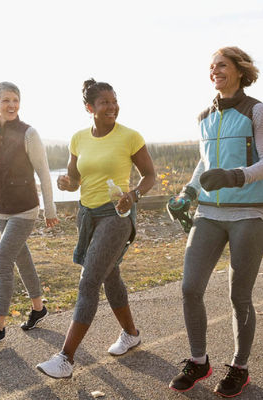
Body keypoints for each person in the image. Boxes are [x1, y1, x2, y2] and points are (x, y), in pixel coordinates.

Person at [167, 47, 263, 397]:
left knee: (239, 296)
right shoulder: (204, 116)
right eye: (211, 66)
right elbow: (204, 165)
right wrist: (187, 192)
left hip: (249, 213)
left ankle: (239, 368)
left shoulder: (256, 110)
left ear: (240, 70)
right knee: (189, 288)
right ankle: (198, 361)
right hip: (209, 215)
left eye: (222, 65)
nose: (215, 70)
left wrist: (234, 176)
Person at [36, 79, 155, 378]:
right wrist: (67, 183)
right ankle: (131, 333)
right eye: (104, 102)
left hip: (117, 215)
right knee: (109, 275)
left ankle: (65, 358)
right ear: (89, 107)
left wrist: (134, 195)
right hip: (87, 216)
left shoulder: (130, 136)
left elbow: (149, 175)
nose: (112, 106)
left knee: (89, 281)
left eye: (114, 101)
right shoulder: (78, 139)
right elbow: (75, 179)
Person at [0, 81, 59, 347]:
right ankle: (38, 307)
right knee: (21, 258)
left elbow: (44, 173)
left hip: (25, 209)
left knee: (2, 260)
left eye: (15, 100)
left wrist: (49, 210)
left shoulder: (29, 134)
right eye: (6, 100)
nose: (12, 105)